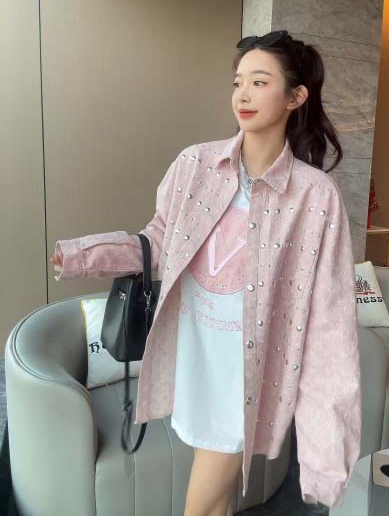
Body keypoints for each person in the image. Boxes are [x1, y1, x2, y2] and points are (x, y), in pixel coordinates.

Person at [51, 30, 361, 515]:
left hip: (246, 376)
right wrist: (81, 256)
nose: (243, 94)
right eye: (238, 82)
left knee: (199, 504)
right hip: (195, 357)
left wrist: (326, 459)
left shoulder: (315, 196)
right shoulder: (195, 165)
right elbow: (157, 242)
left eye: (260, 82)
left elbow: (330, 326)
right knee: (215, 501)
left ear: (296, 97)